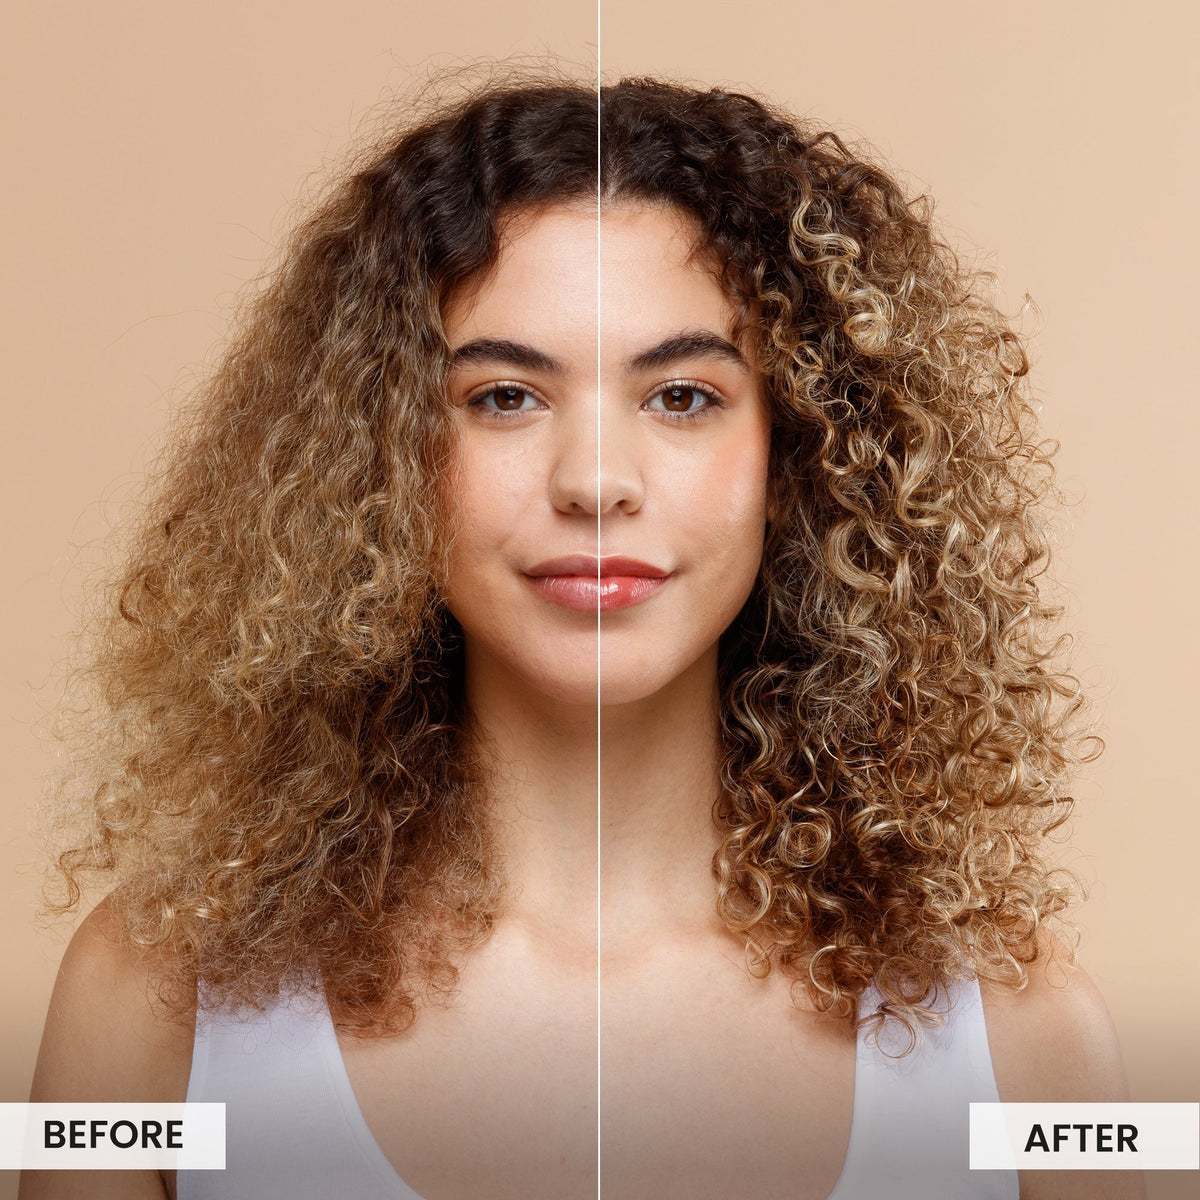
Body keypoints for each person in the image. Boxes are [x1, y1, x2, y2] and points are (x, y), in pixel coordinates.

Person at [24, 73, 1142, 1200]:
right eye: (505, 396)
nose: (595, 481)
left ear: (795, 460)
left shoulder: (1022, 1035)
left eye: (684, 397)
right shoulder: (151, 1004)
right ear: (378, 465)